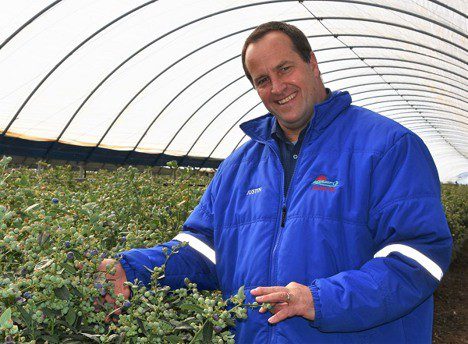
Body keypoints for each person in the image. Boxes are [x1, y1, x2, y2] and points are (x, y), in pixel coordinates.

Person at [99, 21, 452, 343]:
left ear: (312, 64)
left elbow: (418, 258)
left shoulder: (387, 147)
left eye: (285, 69)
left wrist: (320, 299)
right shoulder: (240, 166)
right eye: (262, 80)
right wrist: (130, 269)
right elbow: (202, 249)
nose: (277, 87)